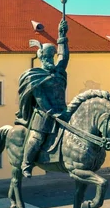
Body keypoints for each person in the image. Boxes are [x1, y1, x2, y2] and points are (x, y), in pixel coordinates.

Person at [15, 18, 69, 177]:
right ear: (42, 58)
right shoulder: (35, 76)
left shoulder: (58, 72)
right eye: (48, 58)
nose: (51, 61)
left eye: (52, 57)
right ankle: (26, 163)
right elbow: (40, 100)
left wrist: (62, 35)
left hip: (62, 111)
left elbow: (64, 57)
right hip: (44, 115)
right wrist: (52, 112)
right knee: (37, 138)